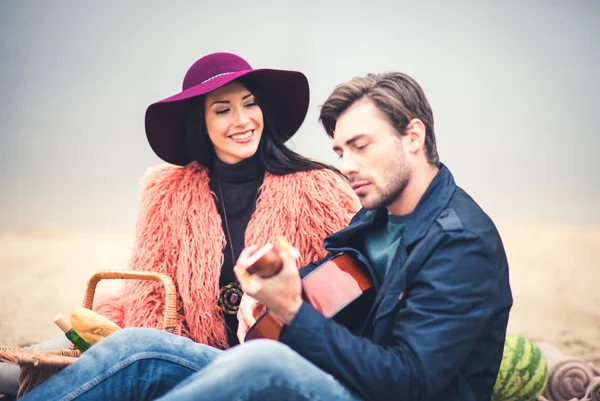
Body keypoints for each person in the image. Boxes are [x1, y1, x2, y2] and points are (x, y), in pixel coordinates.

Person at [19, 71, 513, 401]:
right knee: (139, 348)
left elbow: (408, 381)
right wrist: (273, 295)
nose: (346, 167)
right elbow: (343, 298)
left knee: (259, 362)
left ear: (413, 135)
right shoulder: (378, 217)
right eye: (340, 150)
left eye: (360, 146)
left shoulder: (461, 243)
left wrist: (291, 314)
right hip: (336, 372)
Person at [0, 52, 359, 398]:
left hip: (278, 364)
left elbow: (346, 283)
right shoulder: (168, 192)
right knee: (20, 368)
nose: (243, 120)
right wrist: (168, 349)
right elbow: (149, 295)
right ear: (199, 122)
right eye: (223, 110)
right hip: (192, 357)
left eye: (250, 103)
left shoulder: (318, 188)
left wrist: (278, 299)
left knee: (130, 353)